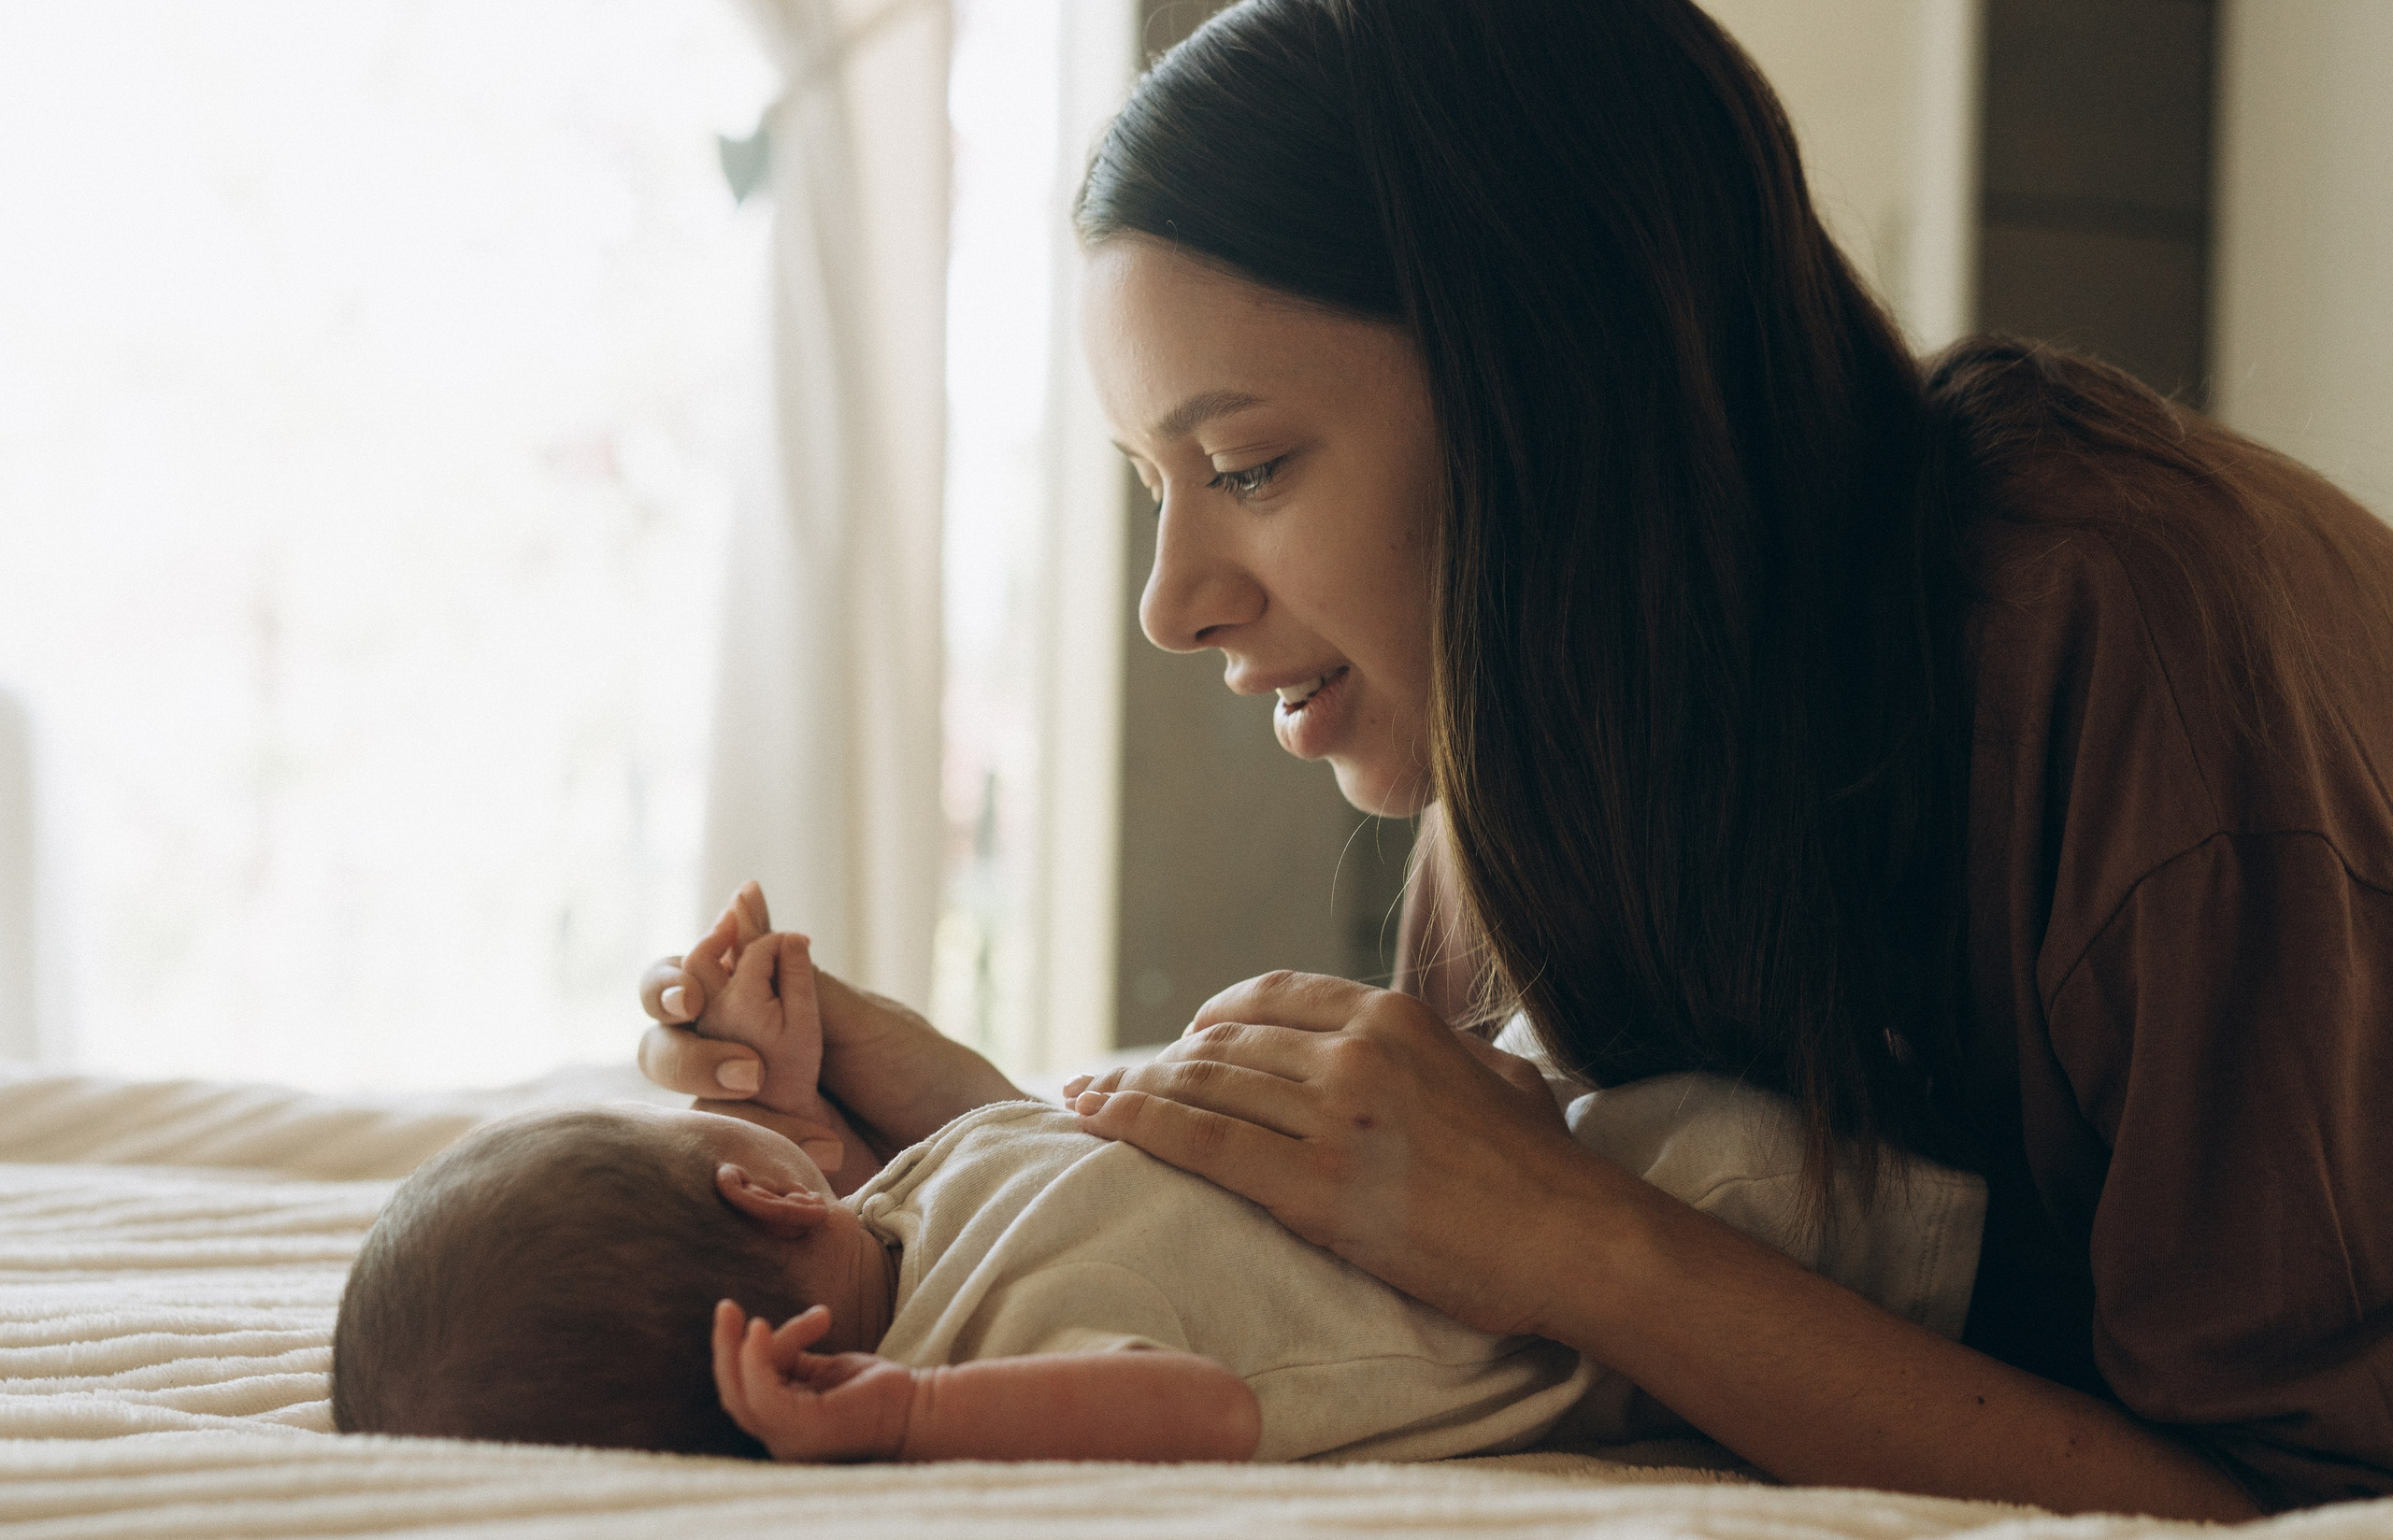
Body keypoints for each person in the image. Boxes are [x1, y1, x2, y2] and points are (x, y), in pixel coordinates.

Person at [640, 0, 2393, 1518]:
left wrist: (1578, 1242)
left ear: (1553, 392)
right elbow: (1402, 1304)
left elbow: (2292, 1506)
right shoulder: (1552, 739)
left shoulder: (2141, 661)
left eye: (1244, 467)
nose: (1172, 603)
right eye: (1146, 484)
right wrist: (921, 1201)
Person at [339, 892, 1980, 1462]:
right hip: (1727, 1237)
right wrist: (908, 1425)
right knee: (1923, 1215)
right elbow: (1187, 1405)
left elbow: (1026, 1145)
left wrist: (827, 1094)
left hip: (1619, 1131)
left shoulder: (915, 1224)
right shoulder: (993, 1362)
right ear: (763, 1205)